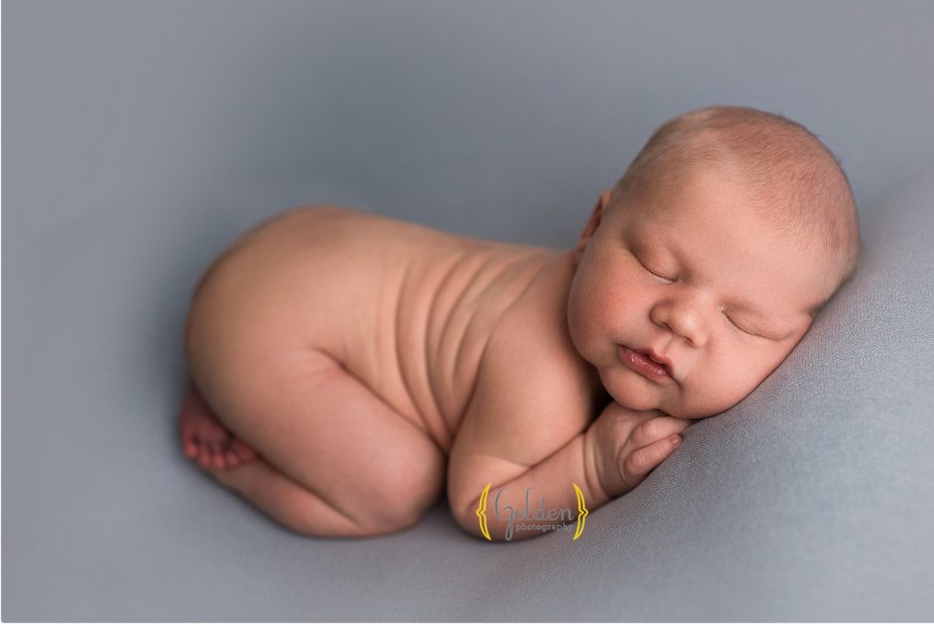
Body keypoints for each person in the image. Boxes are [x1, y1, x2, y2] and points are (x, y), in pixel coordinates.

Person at [178, 105, 860, 541]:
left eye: (743, 322)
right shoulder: (542, 372)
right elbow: (480, 508)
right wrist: (590, 471)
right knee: (395, 488)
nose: (681, 319)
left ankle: (240, 386)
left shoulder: (593, 300)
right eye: (657, 267)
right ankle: (239, 445)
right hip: (265, 323)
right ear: (593, 228)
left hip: (300, 243)